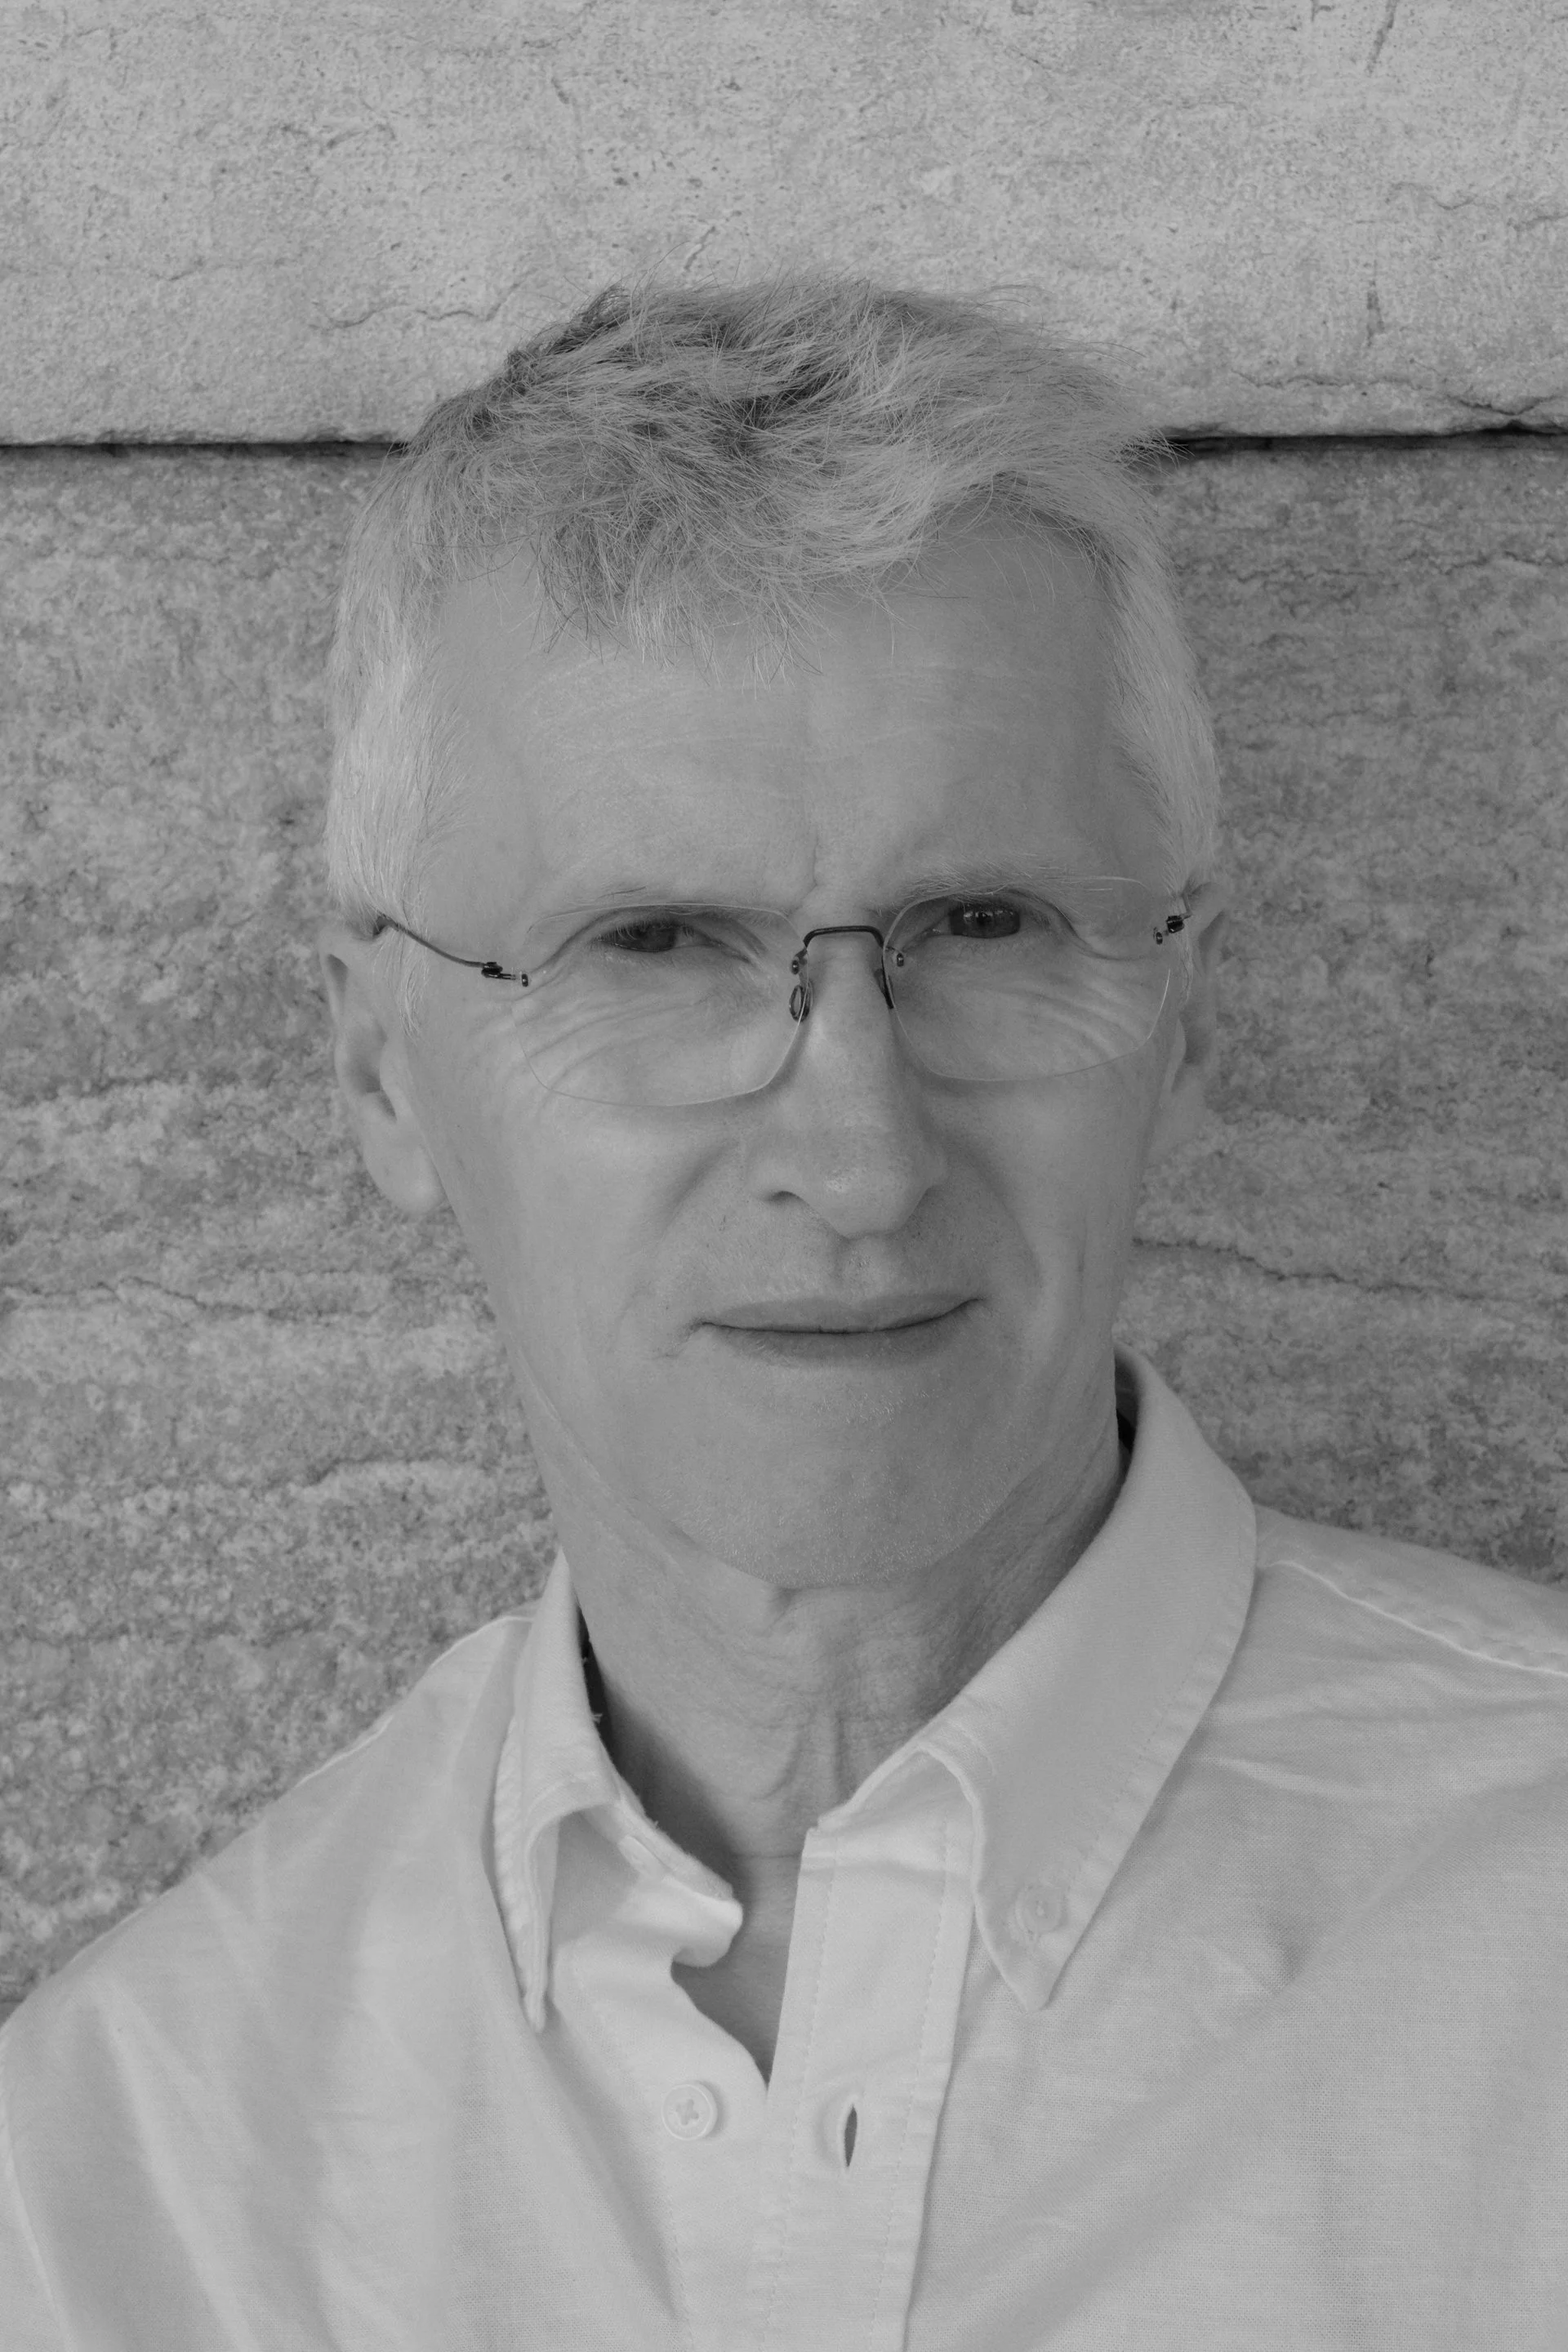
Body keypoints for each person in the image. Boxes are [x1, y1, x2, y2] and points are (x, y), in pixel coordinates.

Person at [2, 275, 1565, 2351]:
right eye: (655, 944)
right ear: (383, 1070)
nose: (861, 1155)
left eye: (986, 924)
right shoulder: (118, 2185)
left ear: (1191, 1013)